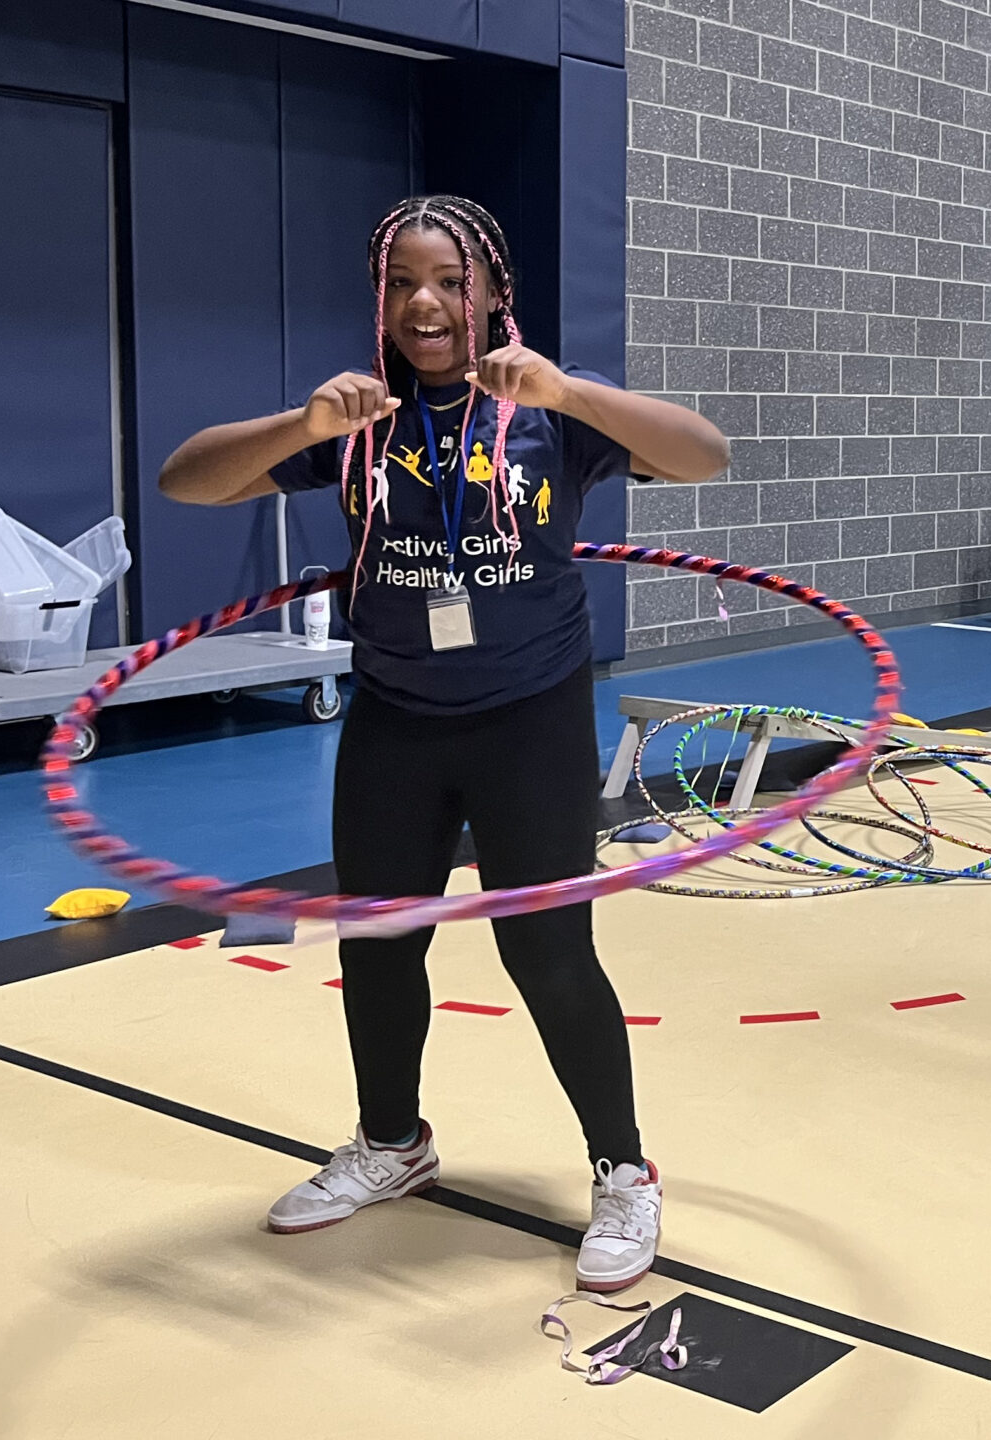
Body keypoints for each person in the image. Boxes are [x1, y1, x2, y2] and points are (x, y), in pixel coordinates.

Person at [157, 195, 732, 1292]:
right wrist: (302, 428)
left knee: (548, 952)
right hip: (396, 721)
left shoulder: (546, 414)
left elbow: (705, 456)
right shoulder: (356, 421)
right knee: (376, 944)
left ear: (493, 295)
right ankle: (391, 1144)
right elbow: (186, 480)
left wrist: (568, 390)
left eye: (449, 281)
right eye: (401, 282)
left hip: (530, 716)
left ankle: (622, 1171)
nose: (424, 303)